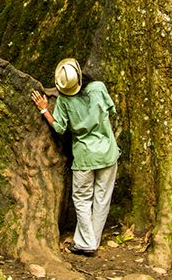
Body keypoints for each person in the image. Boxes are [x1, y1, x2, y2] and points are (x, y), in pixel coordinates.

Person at [30, 58, 119, 257]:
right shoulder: (98, 88)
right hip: (107, 152)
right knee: (102, 198)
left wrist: (44, 110)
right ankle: (91, 241)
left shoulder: (64, 101)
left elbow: (59, 128)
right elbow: (111, 110)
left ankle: (86, 242)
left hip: (84, 157)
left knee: (82, 198)